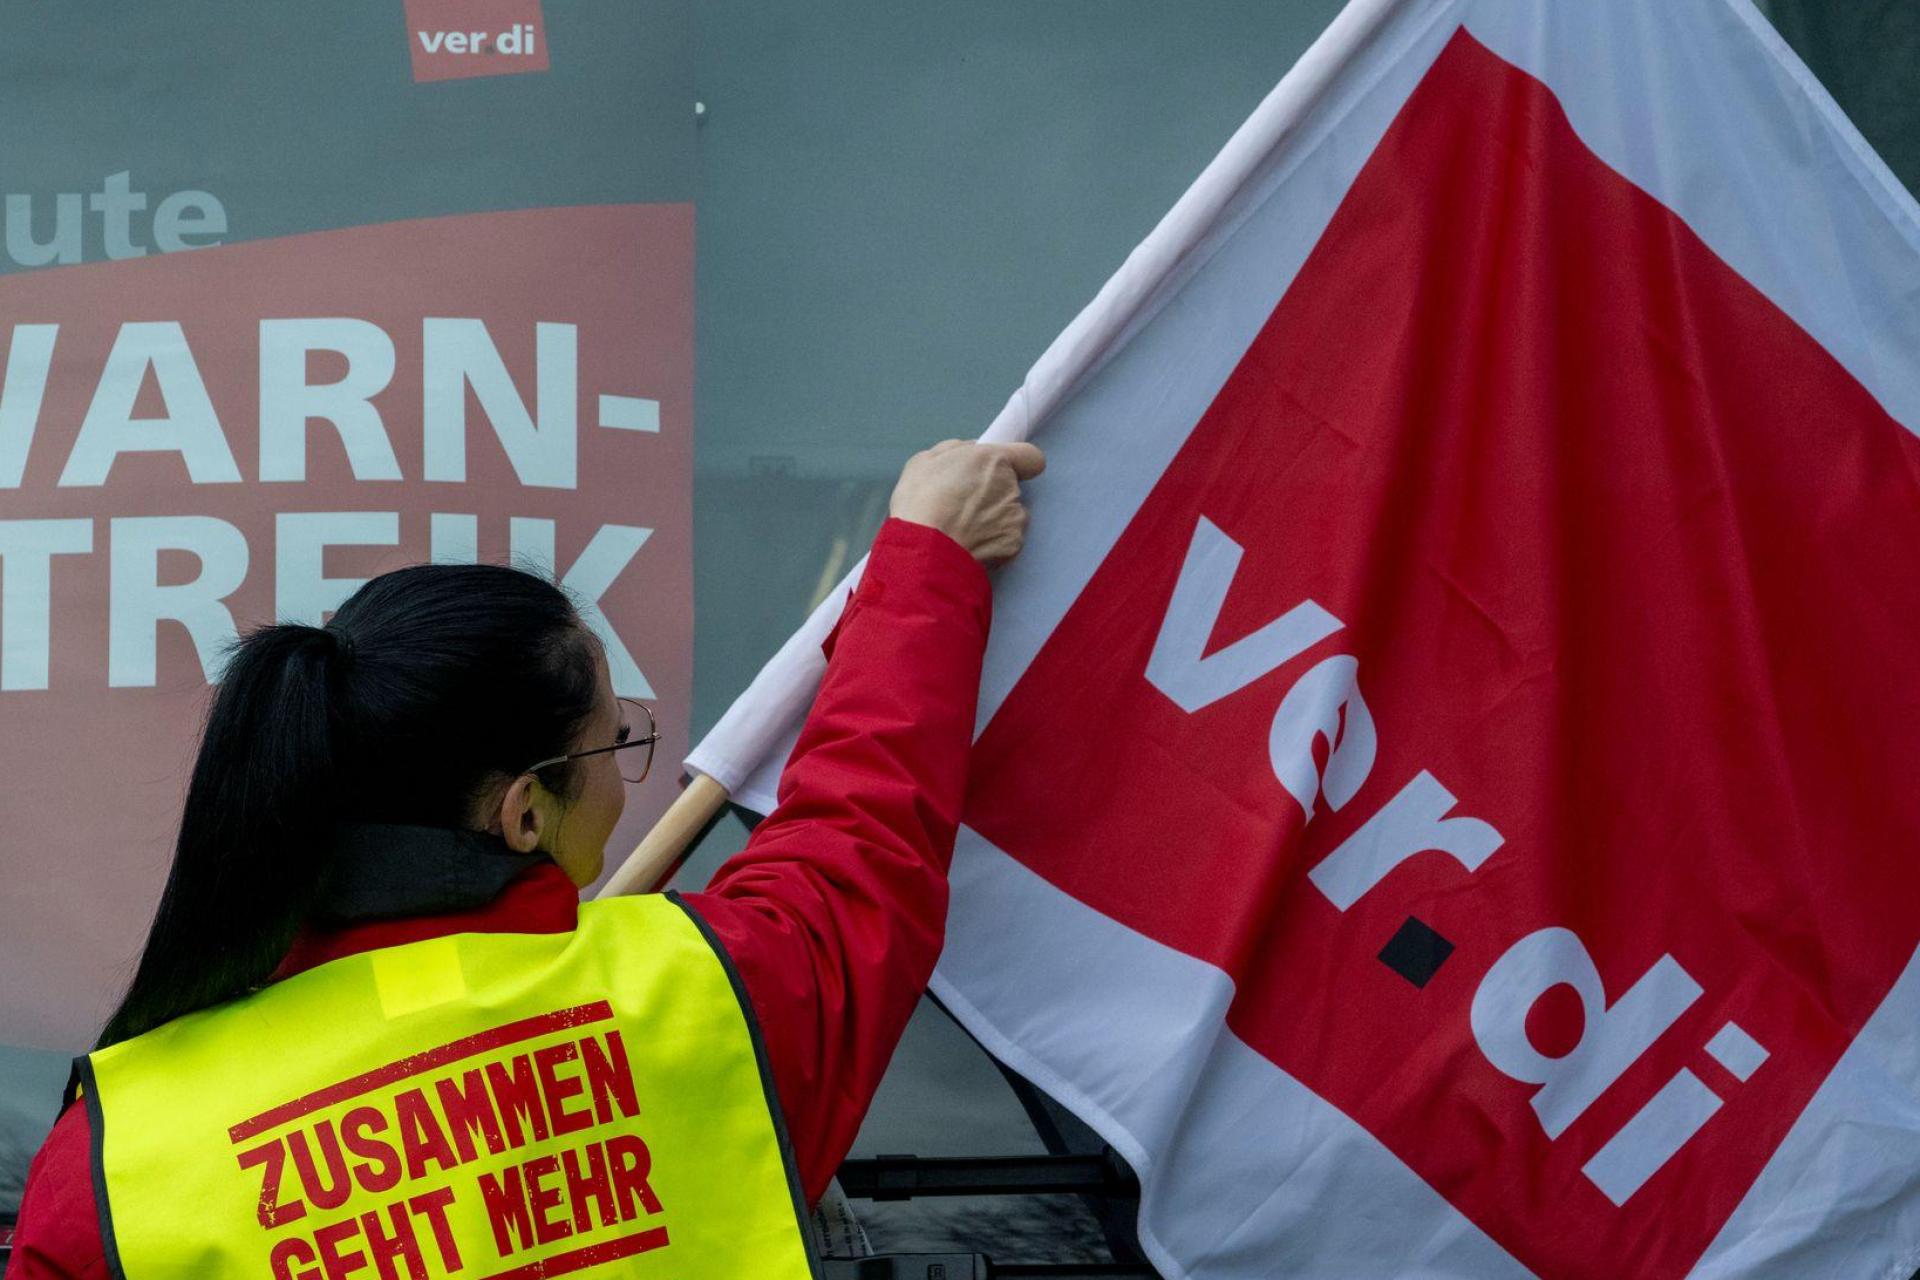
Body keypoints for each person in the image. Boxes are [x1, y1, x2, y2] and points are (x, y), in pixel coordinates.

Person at [5, 438, 1045, 1279]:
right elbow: (860, 840)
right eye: (612, 743)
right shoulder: (704, 999)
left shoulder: (115, 1159)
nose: (629, 774)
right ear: (521, 814)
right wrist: (925, 561)